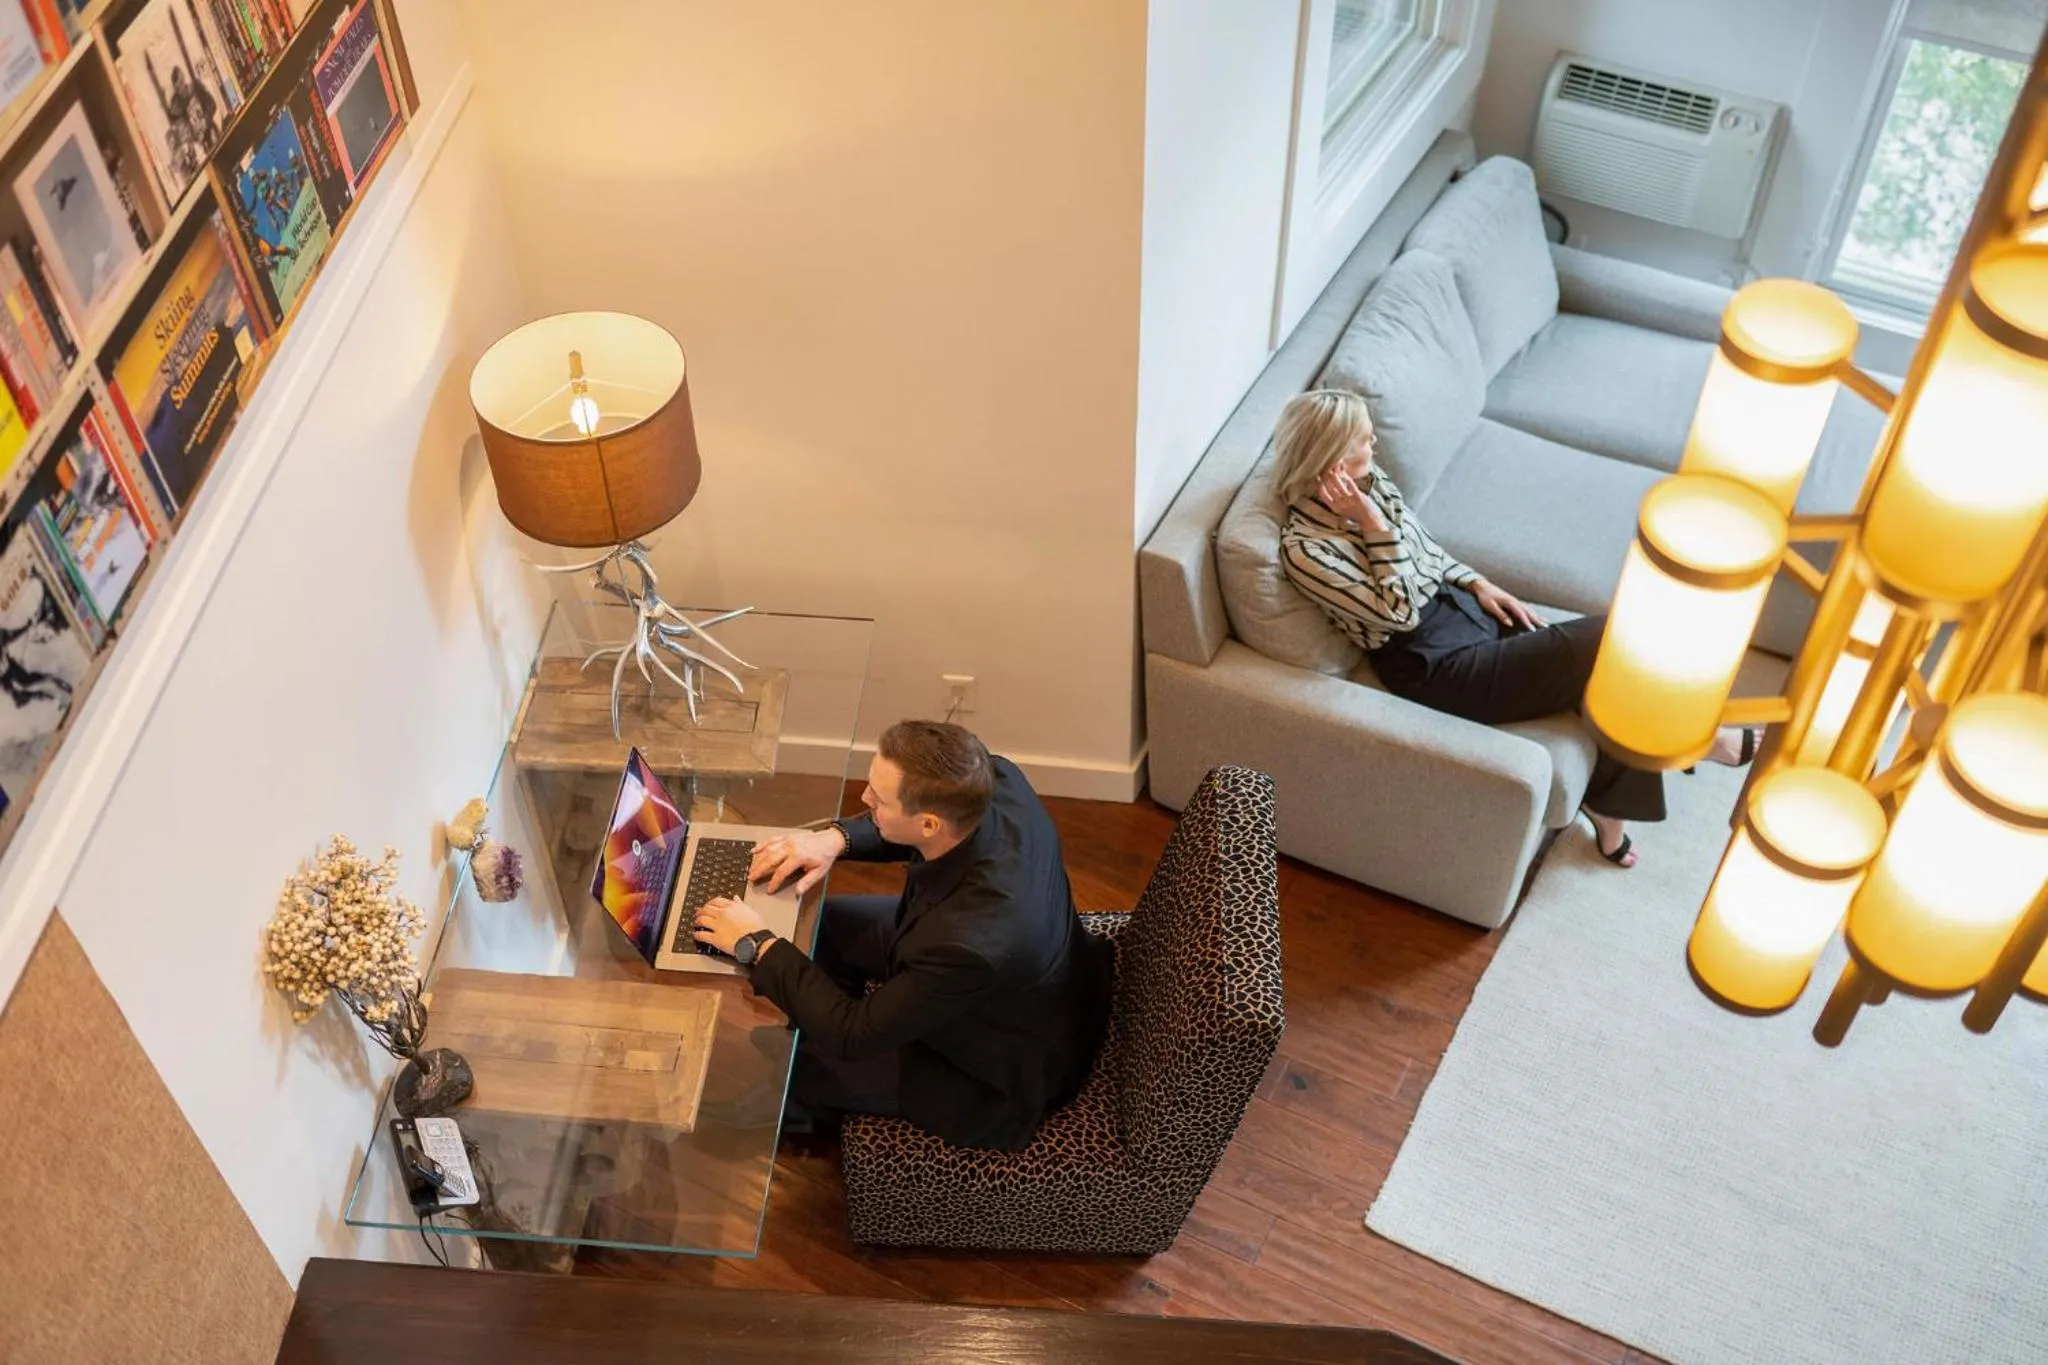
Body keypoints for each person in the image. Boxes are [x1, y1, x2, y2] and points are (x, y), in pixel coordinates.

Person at [1271, 389, 1755, 869]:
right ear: (1329, 459)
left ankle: (1615, 803)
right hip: (1435, 664)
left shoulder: (1372, 482)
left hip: (1464, 611)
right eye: (1361, 437)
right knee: (1613, 636)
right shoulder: (1306, 550)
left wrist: (1479, 583)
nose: (1374, 439)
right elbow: (1398, 613)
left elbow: (1429, 553)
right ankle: (1697, 739)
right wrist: (1373, 526)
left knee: (1605, 672)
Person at [691, 720, 1112, 1149]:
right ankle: (813, 1019)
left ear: (929, 824)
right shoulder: (991, 779)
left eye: (878, 799)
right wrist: (833, 840)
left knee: (803, 1060)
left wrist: (757, 943)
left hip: (1003, 1060)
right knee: (827, 925)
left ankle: (799, 1109)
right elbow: (908, 825)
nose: (864, 798)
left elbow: (853, 1035)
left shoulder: (966, 945)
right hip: (998, 959)